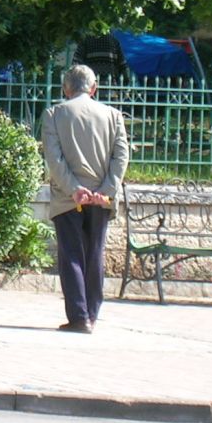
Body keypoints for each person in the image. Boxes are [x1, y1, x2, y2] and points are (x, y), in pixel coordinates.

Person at [40, 64, 129, 333]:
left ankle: (79, 317)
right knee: (94, 254)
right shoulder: (113, 115)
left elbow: (54, 159)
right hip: (101, 198)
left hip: (68, 198)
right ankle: (92, 313)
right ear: (94, 88)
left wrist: (74, 189)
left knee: (72, 255)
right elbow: (121, 157)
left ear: (65, 89)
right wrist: (106, 190)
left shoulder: (54, 114)